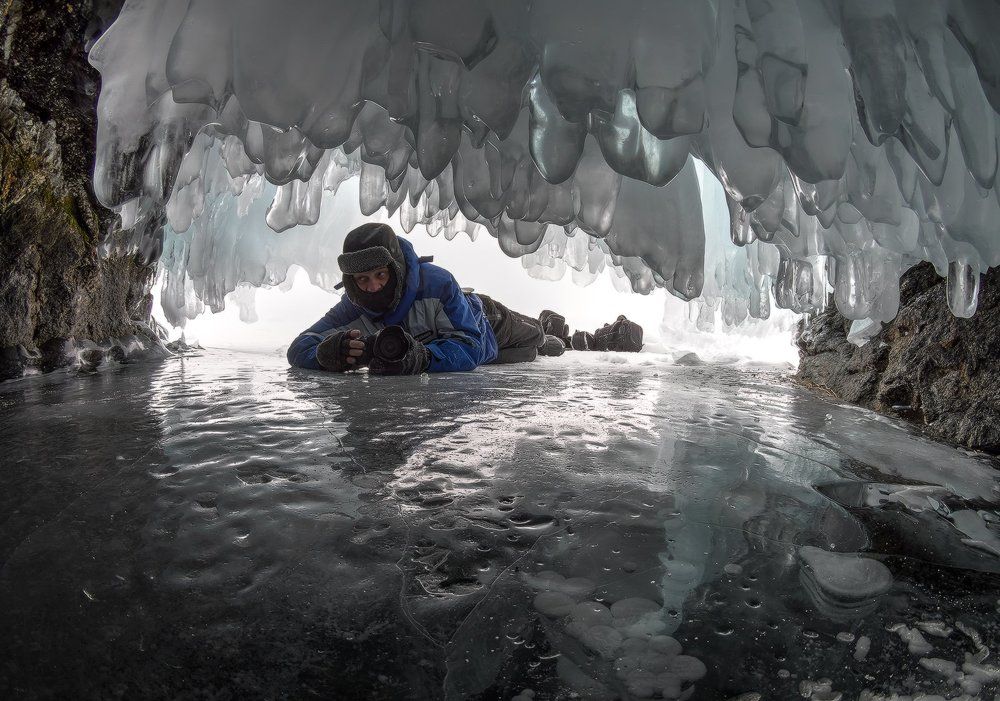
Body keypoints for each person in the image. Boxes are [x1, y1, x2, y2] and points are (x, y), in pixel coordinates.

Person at [287, 223, 545, 375]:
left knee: (537, 335)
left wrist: (422, 358)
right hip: (486, 354)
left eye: (380, 274)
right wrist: (329, 354)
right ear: (351, 281)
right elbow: (299, 347)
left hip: (489, 320)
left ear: (396, 268)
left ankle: (549, 328)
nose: (373, 287)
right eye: (362, 279)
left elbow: (470, 344)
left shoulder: (438, 283)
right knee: (529, 354)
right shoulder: (351, 308)